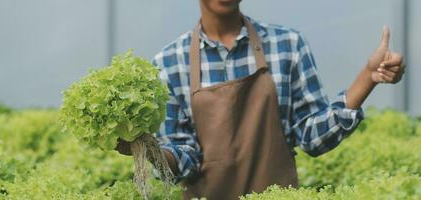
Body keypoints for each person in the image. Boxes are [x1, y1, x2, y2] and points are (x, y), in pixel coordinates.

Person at [116, 0, 405, 199]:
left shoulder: (287, 45)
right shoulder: (169, 62)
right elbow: (184, 157)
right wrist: (145, 148)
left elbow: (312, 137)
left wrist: (368, 76)